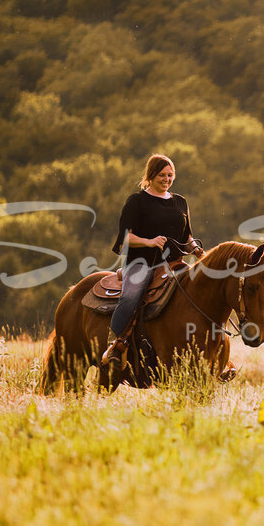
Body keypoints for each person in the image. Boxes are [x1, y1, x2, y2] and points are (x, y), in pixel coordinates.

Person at [102, 154, 203, 367]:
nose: (166, 179)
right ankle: (116, 345)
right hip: (141, 263)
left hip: (174, 264)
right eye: (161, 175)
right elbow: (125, 238)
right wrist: (149, 242)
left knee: (202, 294)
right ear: (150, 175)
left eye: (170, 175)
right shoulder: (137, 201)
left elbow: (187, 236)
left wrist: (194, 248)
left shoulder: (180, 202)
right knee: (130, 297)